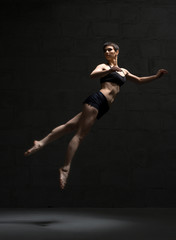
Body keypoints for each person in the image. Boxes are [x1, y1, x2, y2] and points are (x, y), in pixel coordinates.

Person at [24, 41, 168, 189]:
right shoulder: (104, 66)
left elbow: (138, 80)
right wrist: (110, 71)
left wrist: (156, 76)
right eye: (105, 50)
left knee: (70, 126)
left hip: (103, 107)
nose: (107, 52)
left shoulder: (123, 70)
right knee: (80, 135)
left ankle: (40, 143)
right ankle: (66, 167)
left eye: (110, 50)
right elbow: (93, 75)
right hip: (97, 100)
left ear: (117, 52)